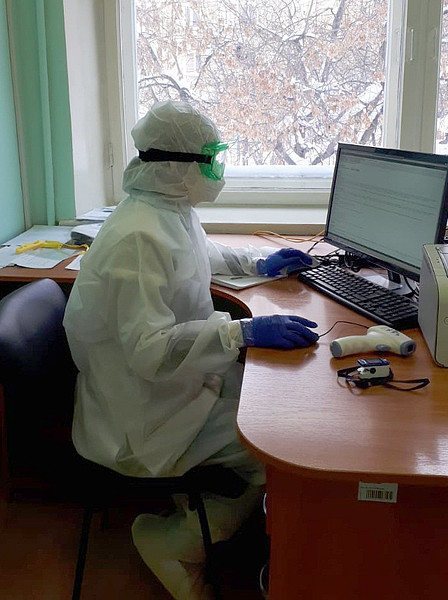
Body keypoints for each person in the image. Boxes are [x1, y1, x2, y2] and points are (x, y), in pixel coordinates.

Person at [63, 100, 319, 599]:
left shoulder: (164, 211)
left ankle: (198, 513)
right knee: (276, 453)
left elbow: (199, 255)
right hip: (140, 418)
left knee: (269, 404)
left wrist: (258, 263)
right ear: (176, 164)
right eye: (210, 159)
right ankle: (172, 544)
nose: (216, 170)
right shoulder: (138, 237)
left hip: (161, 390)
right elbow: (150, 351)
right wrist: (240, 334)